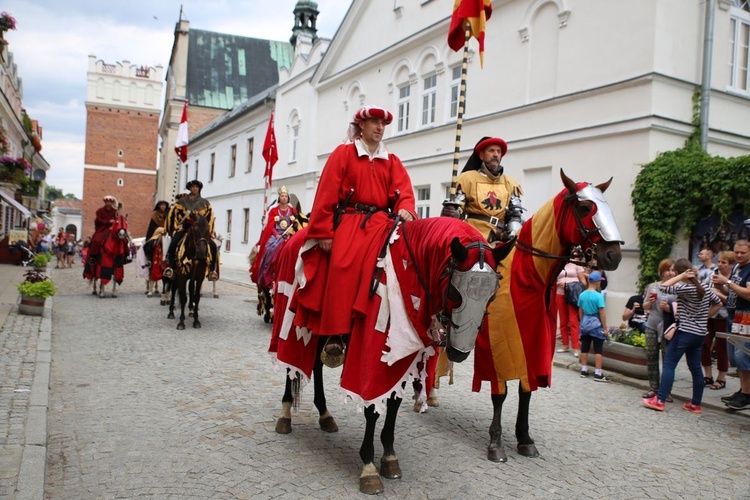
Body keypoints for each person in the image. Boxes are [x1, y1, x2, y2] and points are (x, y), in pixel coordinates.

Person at [295, 105, 416, 338]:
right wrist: (323, 233)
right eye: (375, 122)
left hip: (381, 224)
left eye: (383, 124)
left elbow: (404, 193)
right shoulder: (343, 153)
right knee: (342, 267)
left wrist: (406, 209)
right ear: (361, 124)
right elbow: (325, 195)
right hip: (350, 222)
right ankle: (336, 333)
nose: (380, 128)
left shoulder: (391, 160)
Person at [642, 258, 722, 414]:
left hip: (684, 332)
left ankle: (660, 400)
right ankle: (695, 404)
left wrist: (681, 277)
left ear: (679, 273)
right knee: (695, 368)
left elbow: (663, 286)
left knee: (669, 364)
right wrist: (706, 316)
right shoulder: (705, 287)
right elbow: (718, 303)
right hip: (699, 334)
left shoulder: (685, 288)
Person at [441, 136, 524, 246]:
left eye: (498, 151)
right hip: (471, 237)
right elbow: (458, 210)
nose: (496, 154)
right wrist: (452, 211)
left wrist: (513, 232)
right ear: (481, 155)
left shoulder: (510, 183)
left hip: (500, 238)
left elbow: (515, 214)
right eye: (491, 151)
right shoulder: (467, 179)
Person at [712, 239, 750, 410]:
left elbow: (748, 294)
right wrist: (722, 287)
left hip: (746, 317)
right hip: (733, 316)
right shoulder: (736, 267)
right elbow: (734, 292)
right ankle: (743, 391)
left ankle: (747, 395)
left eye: (743, 252)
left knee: (743, 356)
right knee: (735, 357)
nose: (739, 255)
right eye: (737, 252)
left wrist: (727, 283)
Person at [163, 180, 218, 281]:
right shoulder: (181, 202)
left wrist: (208, 230)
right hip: (185, 228)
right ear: (190, 188)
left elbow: (210, 218)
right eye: (193, 187)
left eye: (196, 187)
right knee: (174, 243)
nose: (195, 188)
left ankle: (212, 270)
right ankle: (170, 267)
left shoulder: (205, 203)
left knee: (213, 246)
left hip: (200, 231)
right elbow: (173, 215)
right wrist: (178, 226)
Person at [641, 259, 678, 400]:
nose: (670, 273)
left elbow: (682, 311)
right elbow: (645, 307)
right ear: (661, 272)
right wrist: (648, 303)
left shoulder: (678, 287)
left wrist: (669, 309)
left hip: (669, 327)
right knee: (651, 356)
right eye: (668, 270)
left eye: (673, 270)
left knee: (667, 358)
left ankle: (666, 391)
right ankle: (654, 388)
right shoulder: (653, 286)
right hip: (652, 324)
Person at [249, 186, 300, 289]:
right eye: (282, 196)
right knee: (269, 248)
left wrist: (291, 232)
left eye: (286, 196)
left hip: (289, 234)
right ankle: (268, 271)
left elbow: (296, 223)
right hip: (276, 235)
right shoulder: (274, 210)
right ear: (279, 197)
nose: (284, 198)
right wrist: (276, 234)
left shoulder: (293, 210)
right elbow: (270, 225)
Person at [702, 250, 735, 391]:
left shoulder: (734, 277)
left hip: (724, 315)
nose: (720, 265)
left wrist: (719, 294)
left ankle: (721, 378)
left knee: (722, 347)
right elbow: (703, 288)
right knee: (704, 343)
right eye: (719, 261)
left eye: (724, 262)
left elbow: (734, 299)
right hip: (709, 313)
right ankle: (707, 375)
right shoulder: (712, 273)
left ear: (731, 265)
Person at [577, 271, 610, 382]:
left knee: (585, 347)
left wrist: (582, 322)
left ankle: (584, 369)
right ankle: (598, 372)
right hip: (596, 324)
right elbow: (602, 312)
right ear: (597, 282)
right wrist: (604, 327)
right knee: (598, 349)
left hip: (585, 322)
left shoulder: (582, 294)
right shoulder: (598, 296)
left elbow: (580, 310)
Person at [556, 252, 587, 357]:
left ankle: (576, 347)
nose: (573, 256)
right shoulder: (558, 263)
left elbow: (583, 282)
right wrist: (558, 284)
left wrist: (570, 286)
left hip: (572, 295)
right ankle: (565, 345)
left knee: (573, 321)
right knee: (563, 320)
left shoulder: (576, 264)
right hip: (559, 293)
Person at [87, 195, 118, 264]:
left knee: (123, 239)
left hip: (112, 228)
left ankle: (125, 256)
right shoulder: (99, 211)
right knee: (96, 239)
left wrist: (114, 224)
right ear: (105, 202)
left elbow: (117, 219)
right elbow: (99, 220)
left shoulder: (115, 211)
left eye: (110, 202)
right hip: (102, 228)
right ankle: (93, 256)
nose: (108, 203)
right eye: (107, 202)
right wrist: (108, 221)